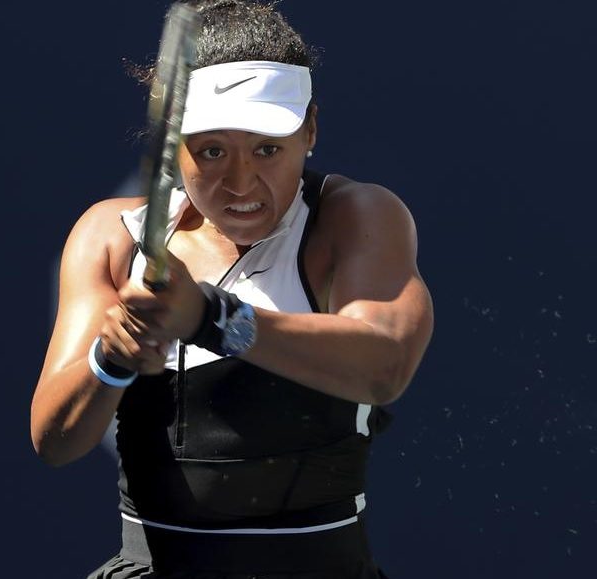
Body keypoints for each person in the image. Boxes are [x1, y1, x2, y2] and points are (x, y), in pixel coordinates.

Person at [31, 0, 434, 577]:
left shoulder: (355, 217)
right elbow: (55, 441)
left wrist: (211, 317)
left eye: (267, 149)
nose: (240, 182)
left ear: (310, 130)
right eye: (212, 150)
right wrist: (111, 358)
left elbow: (385, 366)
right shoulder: (110, 235)